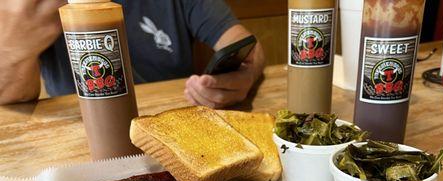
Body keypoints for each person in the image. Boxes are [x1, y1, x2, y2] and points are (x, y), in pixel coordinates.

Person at [0, 0, 265, 108]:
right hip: (78, 137)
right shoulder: (29, 6)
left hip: (172, 126)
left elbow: (242, 41)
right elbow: (12, 100)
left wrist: (246, 73)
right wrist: (11, 51)